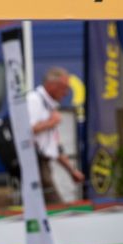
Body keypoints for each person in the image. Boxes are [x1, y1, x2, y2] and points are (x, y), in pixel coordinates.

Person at [27, 67, 85, 205]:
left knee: (49, 206)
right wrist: (51, 122)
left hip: (43, 163)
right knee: (56, 206)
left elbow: (54, 146)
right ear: (52, 85)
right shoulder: (34, 100)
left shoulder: (49, 105)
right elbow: (26, 131)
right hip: (34, 162)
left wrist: (71, 171)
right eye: (64, 88)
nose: (66, 93)